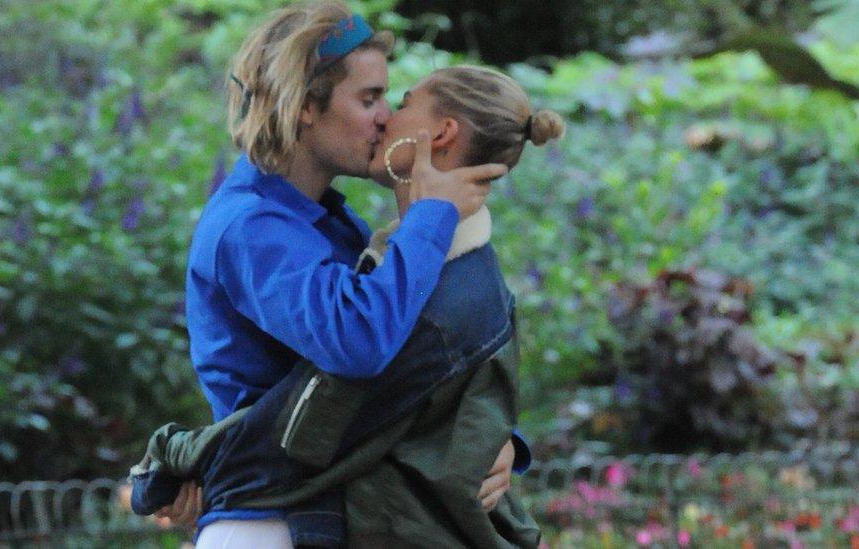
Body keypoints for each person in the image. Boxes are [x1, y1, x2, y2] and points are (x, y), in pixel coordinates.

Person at [131, 61, 564, 547]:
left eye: (396, 102)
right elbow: (363, 397)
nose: (383, 118)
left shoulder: (410, 260)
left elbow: (336, 408)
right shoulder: (260, 227)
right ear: (309, 106)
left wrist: (176, 465)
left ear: (442, 134)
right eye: (369, 99)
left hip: (286, 513)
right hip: (275, 518)